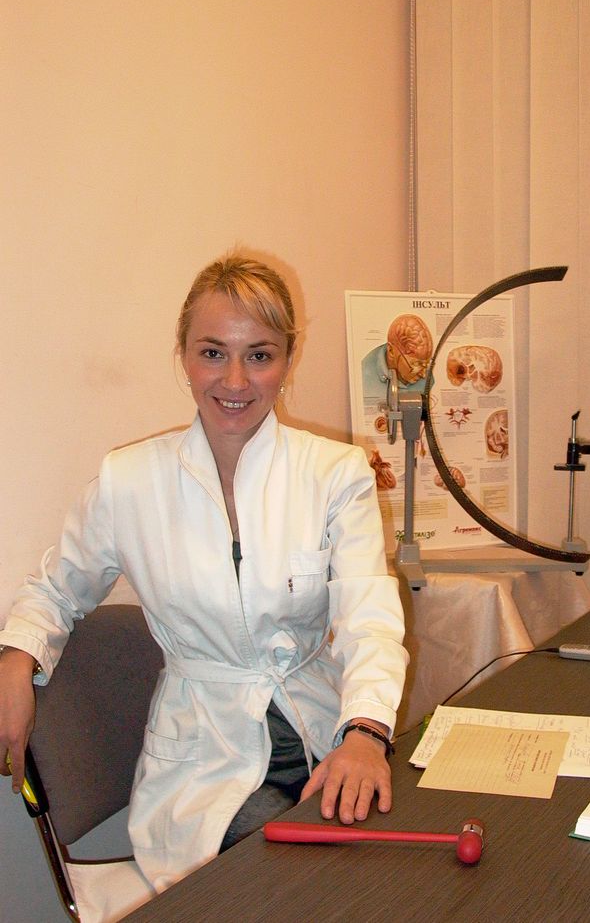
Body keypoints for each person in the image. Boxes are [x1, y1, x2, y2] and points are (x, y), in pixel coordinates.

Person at [0, 253, 408, 893]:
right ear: (184, 357)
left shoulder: (335, 475)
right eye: (214, 353)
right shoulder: (130, 482)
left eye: (260, 355)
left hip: (321, 734)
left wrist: (365, 731)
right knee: (299, 881)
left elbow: (370, 619)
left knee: (393, 873)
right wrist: (16, 658)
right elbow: (55, 590)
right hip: (205, 760)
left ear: (288, 359)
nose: (236, 380)